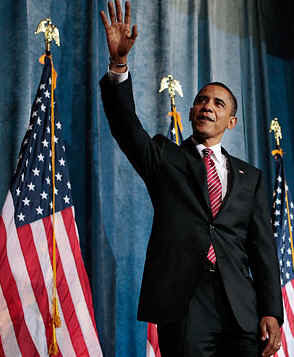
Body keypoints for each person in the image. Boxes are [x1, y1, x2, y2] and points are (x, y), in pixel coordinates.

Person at [99, 1, 283, 356]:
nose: (207, 106)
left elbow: (263, 249)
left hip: (240, 308)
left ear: (231, 121)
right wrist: (120, 65)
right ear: (191, 109)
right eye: (201, 100)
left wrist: (271, 310)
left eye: (218, 103)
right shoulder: (165, 157)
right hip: (184, 305)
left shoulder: (251, 178)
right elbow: (125, 126)